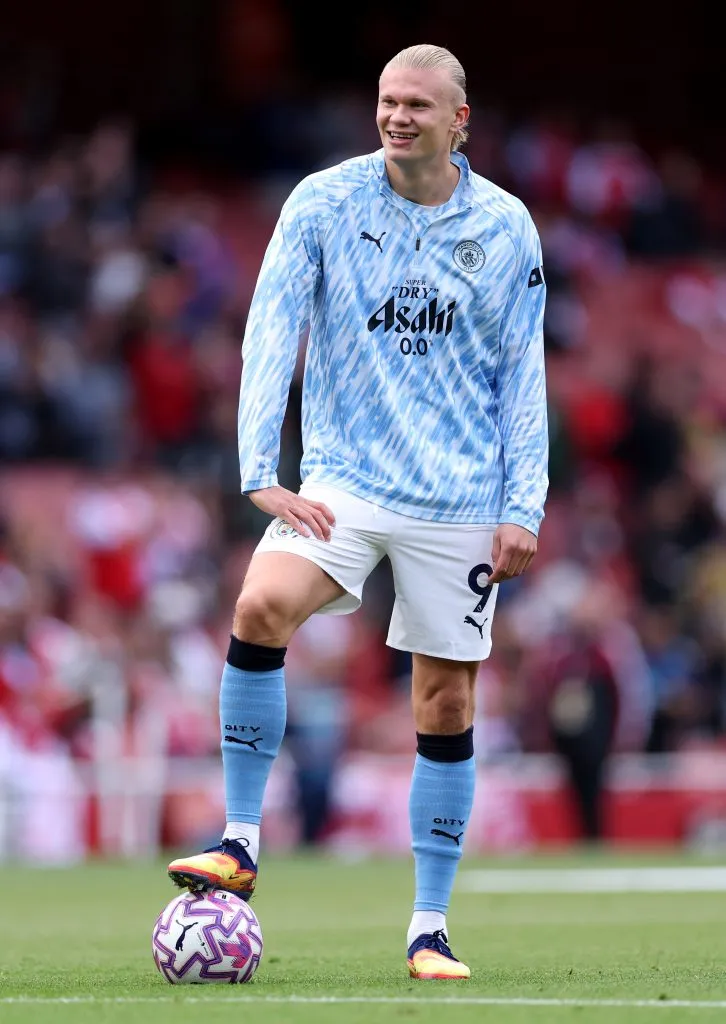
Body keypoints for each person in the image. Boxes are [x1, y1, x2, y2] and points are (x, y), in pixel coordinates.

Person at [167, 42, 548, 981]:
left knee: (444, 701)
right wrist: (261, 468)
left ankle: (429, 928)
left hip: (460, 493)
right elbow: (271, 328)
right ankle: (240, 840)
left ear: (459, 120)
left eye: (417, 104)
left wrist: (523, 504)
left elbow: (523, 373)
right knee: (260, 605)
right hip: (346, 477)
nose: (396, 117)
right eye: (387, 100)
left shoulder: (506, 227)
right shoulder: (324, 202)